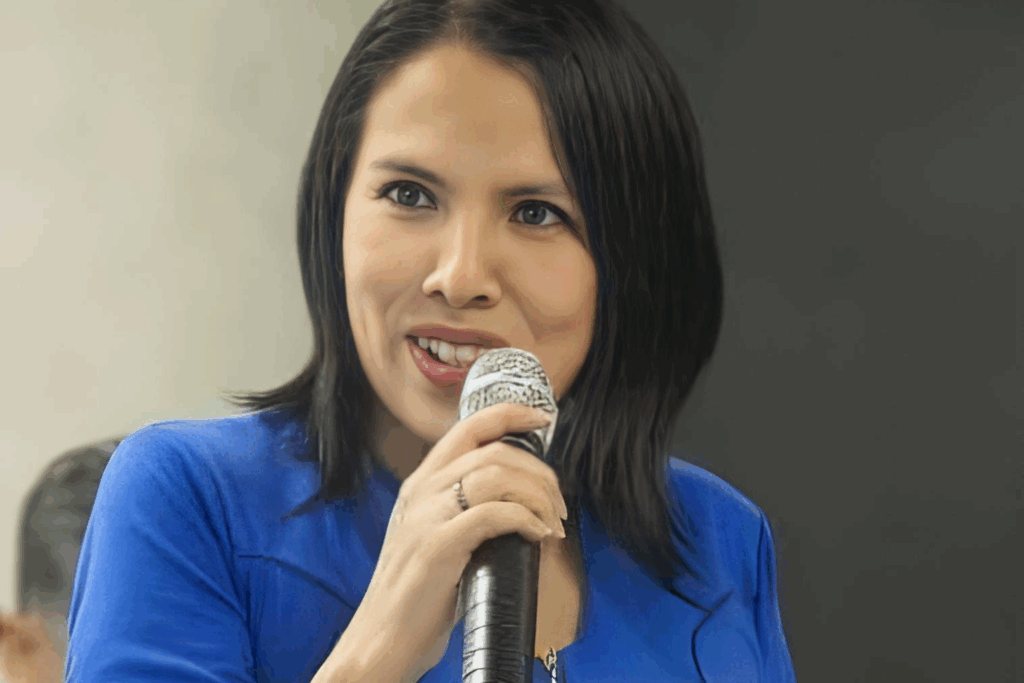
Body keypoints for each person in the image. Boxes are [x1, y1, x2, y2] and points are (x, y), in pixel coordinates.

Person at [65, 0, 797, 681]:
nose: (460, 275)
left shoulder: (719, 538)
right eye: (410, 195)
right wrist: (380, 645)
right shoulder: (189, 498)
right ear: (334, 215)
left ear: (633, 264)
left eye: (537, 212)